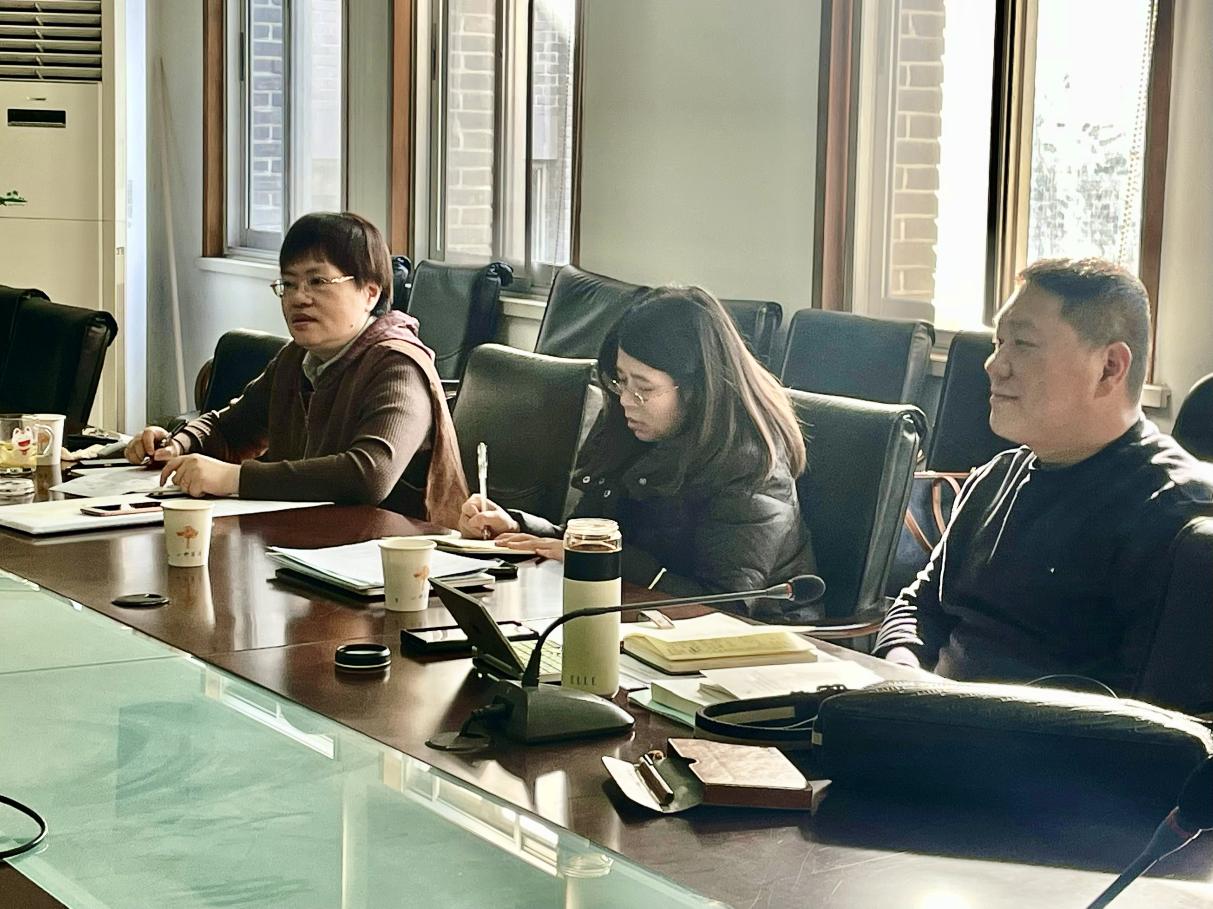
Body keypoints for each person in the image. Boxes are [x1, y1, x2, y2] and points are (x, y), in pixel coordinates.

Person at [874, 258, 1213, 695]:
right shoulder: (997, 477)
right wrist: (902, 666)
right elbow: (920, 605)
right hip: (927, 711)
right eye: (998, 342)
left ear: (1109, 367)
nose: (994, 365)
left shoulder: (1177, 521)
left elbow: (1148, 722)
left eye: (1023, 344)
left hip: (1031, 734)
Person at [459, 285, 816, 620]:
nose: (626, 400)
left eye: (644, 387)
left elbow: (725, 605)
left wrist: (607, 559)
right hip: (641, 620)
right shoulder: (629, 426)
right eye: (621, 380)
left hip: (756, 644)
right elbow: (589, 536)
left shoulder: (751, 464)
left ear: (697, 389)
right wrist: (518, 527)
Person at [126, 212, 468, 526]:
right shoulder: (297, 358)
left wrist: (234, 478)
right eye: (288, 284)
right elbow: (230, 429)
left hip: (404, 556)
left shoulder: (398, 365)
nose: (298, 298)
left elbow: (368, 475)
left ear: (370, 293)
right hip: (314, 543)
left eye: (317, 281)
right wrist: (177, 444)